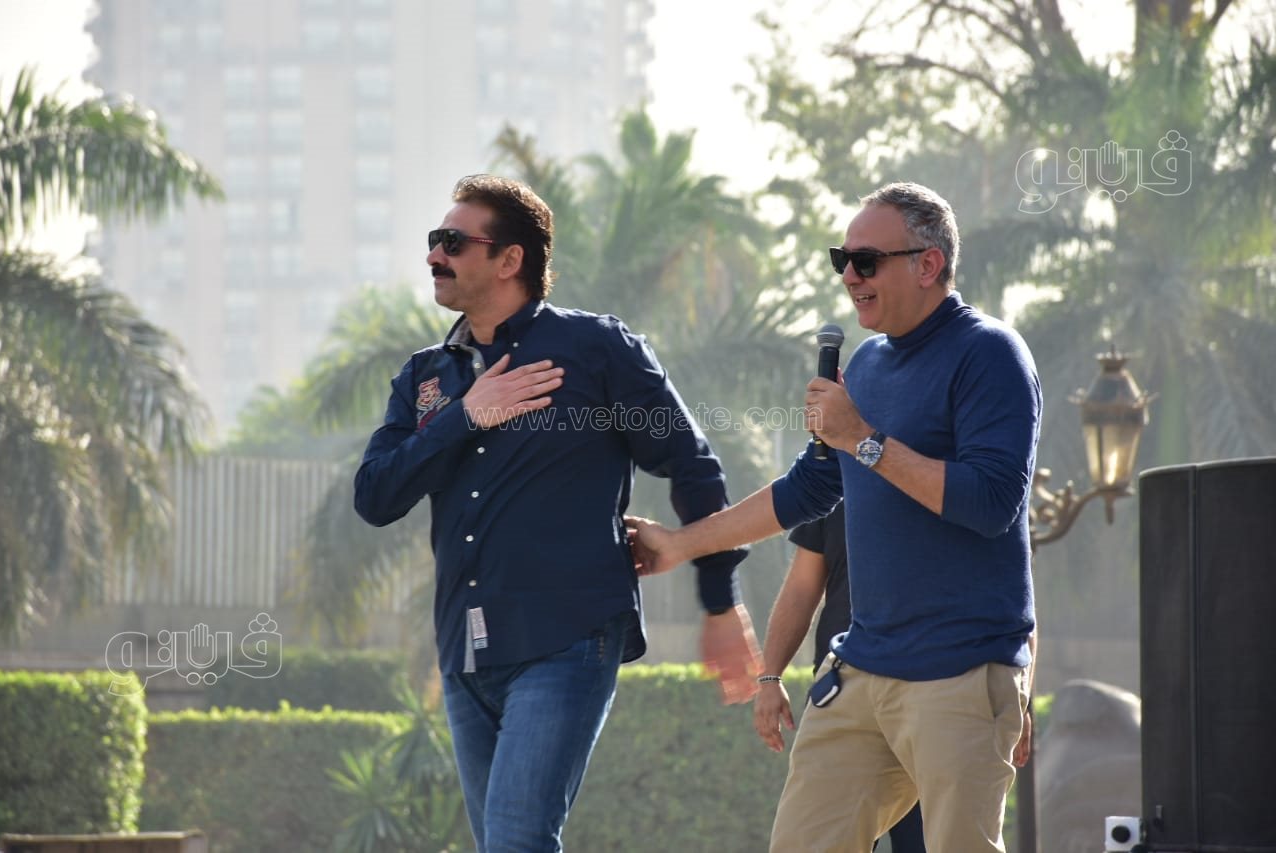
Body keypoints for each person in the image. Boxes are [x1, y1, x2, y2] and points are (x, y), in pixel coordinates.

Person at [353, 174, 761, 852]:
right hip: (464, 652)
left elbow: (693, 465)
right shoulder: (426, 377)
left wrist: (721, 603)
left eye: (453, 242)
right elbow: (374, 496)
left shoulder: (597, 349)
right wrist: (465, 415)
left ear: (509, 259)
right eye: (434, 240)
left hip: (568, 638)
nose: (433, 255)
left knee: (516, 842)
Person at [629, 181, 1039, 853]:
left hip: (961, 674)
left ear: (929, 264)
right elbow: (805, 490)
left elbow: (992, 504)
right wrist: (680, 544)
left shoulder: (991, 353)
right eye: (841, 259)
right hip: (861, 672)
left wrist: (863, 440)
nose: (849, 276)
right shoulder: (867, 366)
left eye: (866, 260)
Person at [754, 500, 926, 852]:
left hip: (939, 690)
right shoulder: (835, 476)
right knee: (820, 840)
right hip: (844, 693)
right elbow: (802, 588)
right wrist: (770, 677)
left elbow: (1010, 589)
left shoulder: (965, 472)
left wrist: (1020, 699)